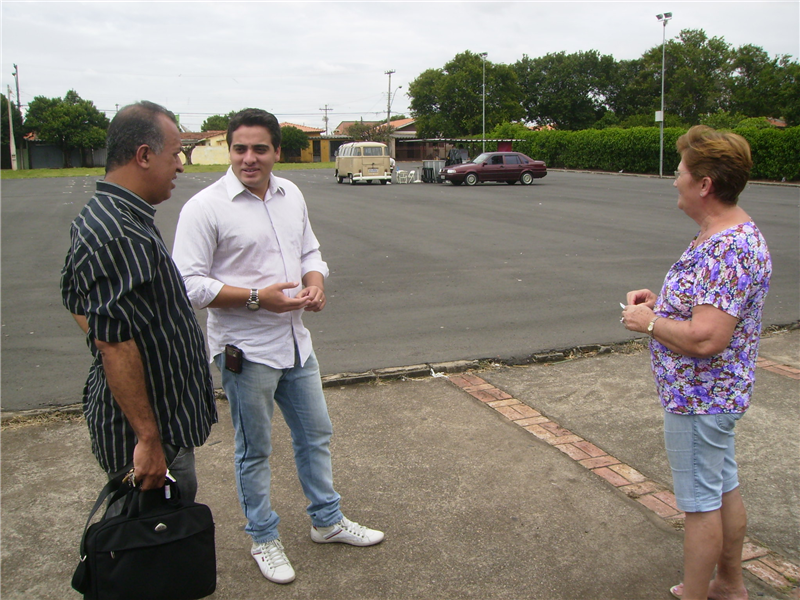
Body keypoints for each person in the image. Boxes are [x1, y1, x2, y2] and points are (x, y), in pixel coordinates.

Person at [172, 108, 384, 585]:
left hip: (295, 343)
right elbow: (187, 283)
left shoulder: (291, 195)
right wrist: (255, 298)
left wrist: (315, 285)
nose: (249, 158)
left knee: (316, 434)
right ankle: (263, 537)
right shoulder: (205, 207)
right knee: (255, 449)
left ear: (277, 151)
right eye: (240, 148)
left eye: (260, 148)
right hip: (245, 350)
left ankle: (326, 521)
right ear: (229, 149)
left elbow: (310, 252)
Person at [621, 125, 771, 600]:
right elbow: (708, 309)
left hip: (701, 400)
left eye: (681, 171)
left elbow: (707, 338)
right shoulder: (720, 236)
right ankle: (729, 584)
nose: (674, 180)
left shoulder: (728, 247)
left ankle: (697, 593)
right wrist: (662, 304)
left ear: (704, 184)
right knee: (723, 489)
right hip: (710, 398)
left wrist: (648, 323)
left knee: (700, 504)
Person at [60, 101, 217, 502]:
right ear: (144, 156)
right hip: (151, 434)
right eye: (176, 153)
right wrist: (147, 439)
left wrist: (110, 337)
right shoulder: (118, 232)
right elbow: (114, 341)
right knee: (153, 542)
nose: (181, 165)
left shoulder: (116, 216)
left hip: (162, 422)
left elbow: (76, 300)